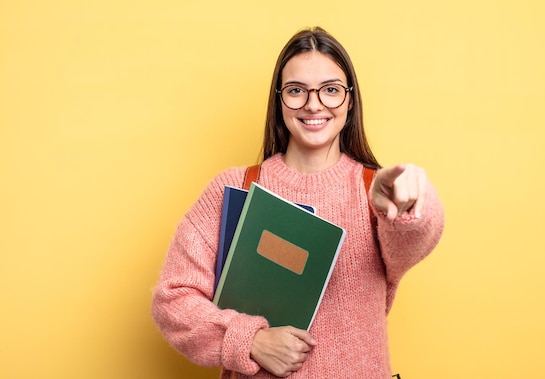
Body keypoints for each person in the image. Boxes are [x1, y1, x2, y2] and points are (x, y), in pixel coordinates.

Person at [151, 26, 445, 378]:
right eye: (296, 91)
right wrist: (250, 341)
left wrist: (406, 205)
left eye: (331, 90)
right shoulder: (234, 189)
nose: (313, 104)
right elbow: (172, 299)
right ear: (279, 100)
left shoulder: (375, 192)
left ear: (350, 100)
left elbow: (416, 238)